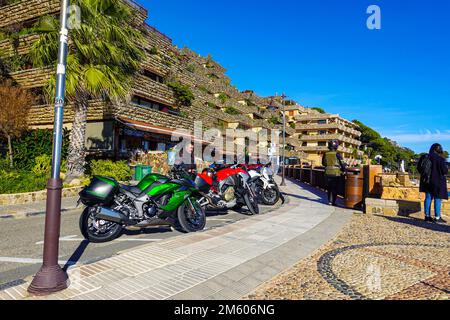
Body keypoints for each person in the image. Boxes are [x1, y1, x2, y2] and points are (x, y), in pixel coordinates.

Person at [417, 143, 448, 223]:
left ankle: (427, 217)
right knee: (438, 199)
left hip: (426, 181)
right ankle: (437, 217)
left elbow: (419, 168)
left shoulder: (424, 157)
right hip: (438, 181)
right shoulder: (440, 159)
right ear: (439, 149)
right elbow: (445, 171)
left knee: (428, 198)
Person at [322, 140, 347, 206]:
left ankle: (329, 201)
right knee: (335, 188)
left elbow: (323, 163)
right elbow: (342, 164)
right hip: (336, 173)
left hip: (327, 173)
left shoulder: (325, 154)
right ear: (336, 146)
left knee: (329, 188)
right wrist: (344, 170)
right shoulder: (337, 154)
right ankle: (333, 202)